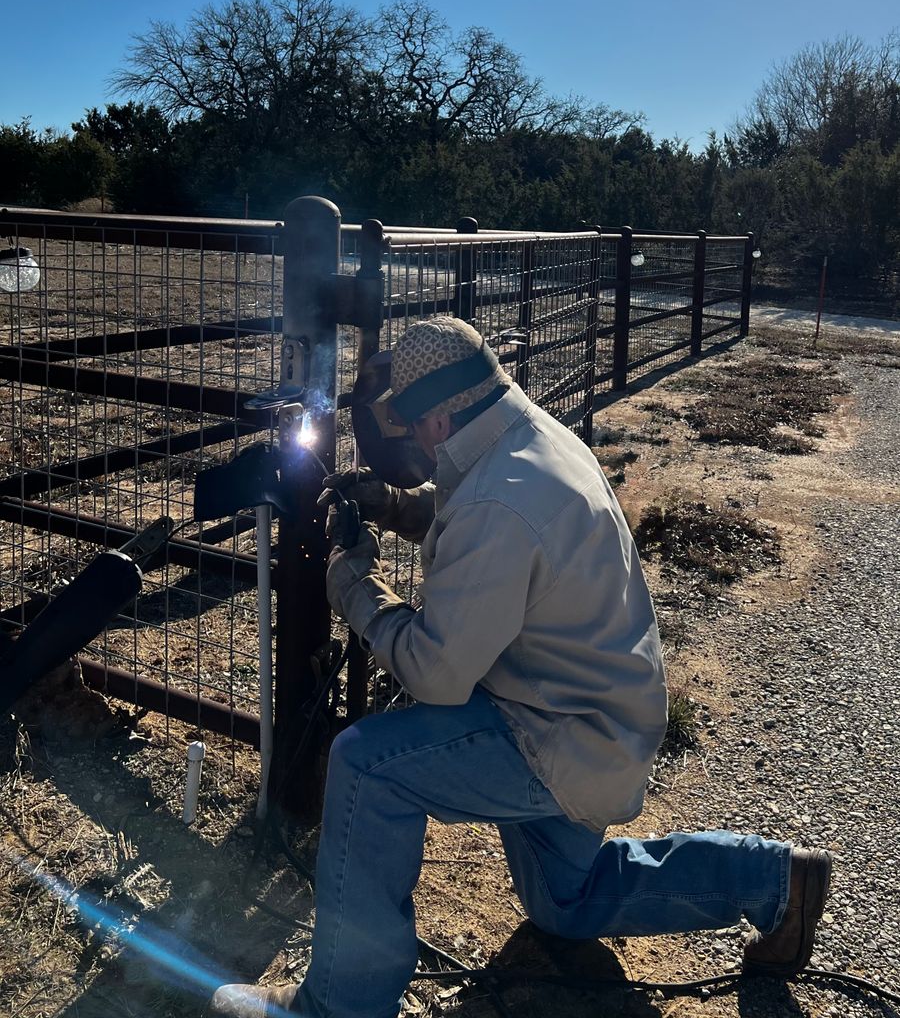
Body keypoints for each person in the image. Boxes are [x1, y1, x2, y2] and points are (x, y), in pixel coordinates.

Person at [211, 316, 832, 1018]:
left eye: (415, 430)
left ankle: (338, 1006)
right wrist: (394, 505)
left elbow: (436, 673)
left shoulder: (499, 502)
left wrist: (353, 585)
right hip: (598, 719)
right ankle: (773, 880)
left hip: (554, 734)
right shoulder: (525, 435)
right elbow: (467, 507)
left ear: (440, 419)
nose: (413, 442)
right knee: (565, 903)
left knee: (367, 766)